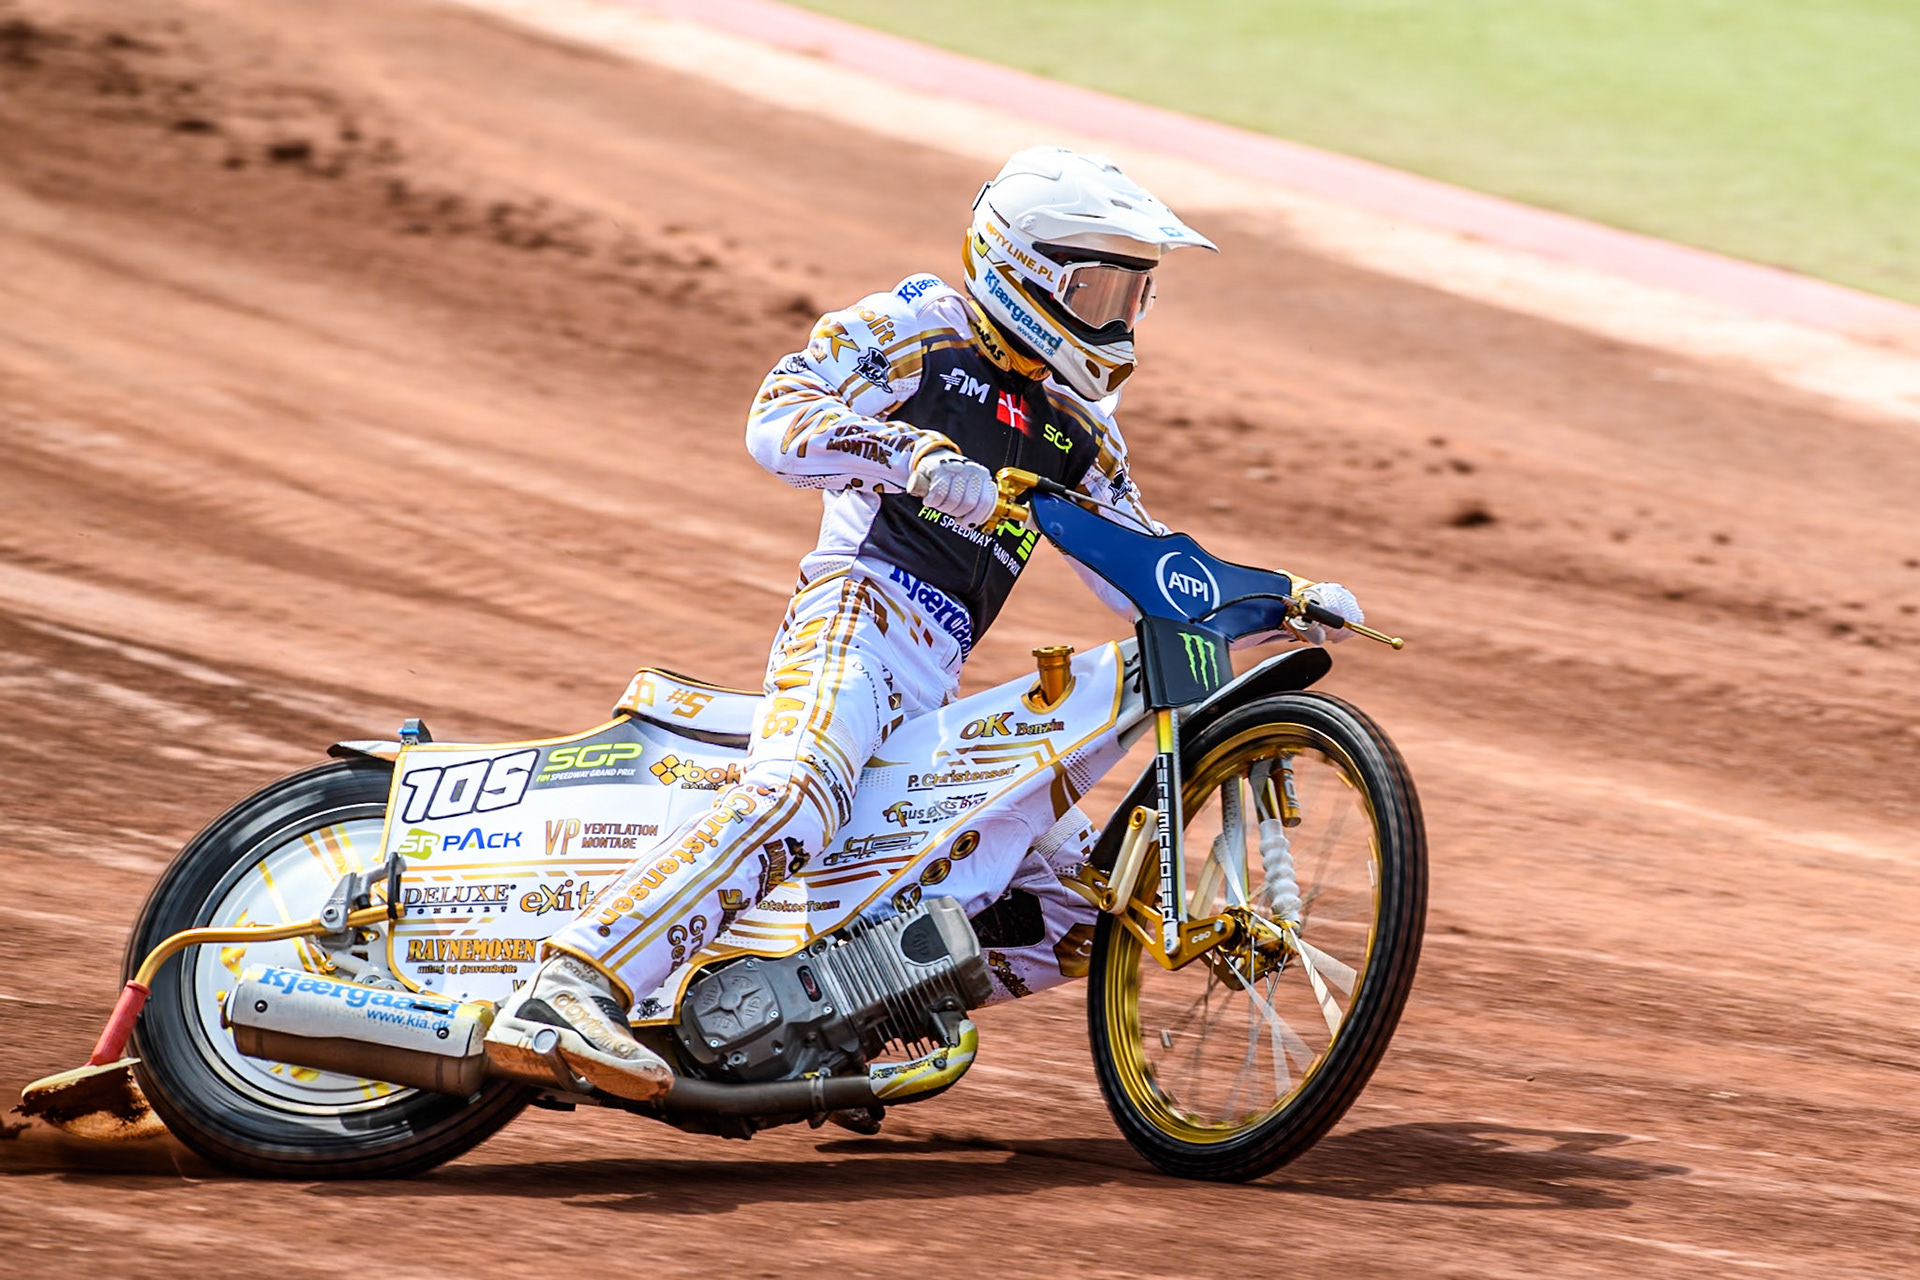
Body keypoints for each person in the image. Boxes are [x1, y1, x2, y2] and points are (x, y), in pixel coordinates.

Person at [484, 147, 1361, 1101]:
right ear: (1027, 272)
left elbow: (1140, 569)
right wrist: (908, 454)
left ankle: (819, 1016)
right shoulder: (918, 325)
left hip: (937, 672)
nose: (1121, 319)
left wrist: (1278, 596)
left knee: (1072, 913)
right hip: (855, 616)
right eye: (1103, 290)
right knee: (799, 791)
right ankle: (570, 983)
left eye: (1134, 296)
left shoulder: (1080, 431)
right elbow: (776, 417)